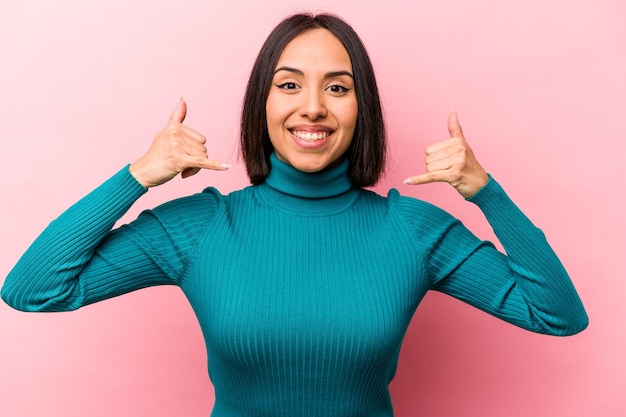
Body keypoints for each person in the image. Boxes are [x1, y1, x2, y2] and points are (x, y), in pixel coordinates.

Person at [1, 12, 587, 417]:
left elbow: (557, 314)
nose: (312, 107)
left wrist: (486, 191)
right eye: (289, 85)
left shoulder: (412, 231)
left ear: (362, 110)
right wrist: (135, 177)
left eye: (337, 88)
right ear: (263, 102)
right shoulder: (201, 229)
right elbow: (32, 289)